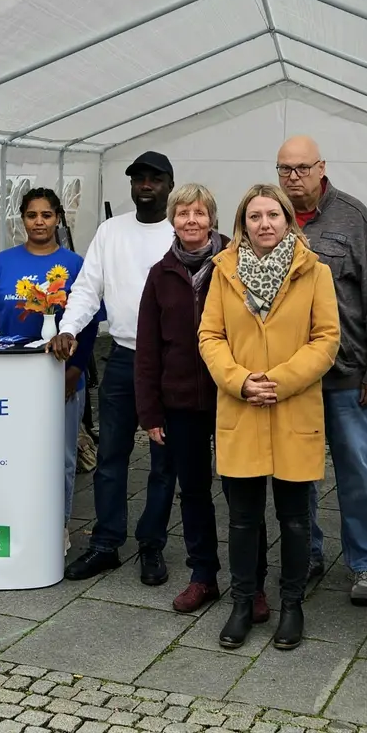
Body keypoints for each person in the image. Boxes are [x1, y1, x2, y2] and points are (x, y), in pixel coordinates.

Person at [197, 183, 340, 651]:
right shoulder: (223, 270)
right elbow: (210, 336)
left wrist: (280, 380)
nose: (264, 224)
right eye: (254, 217)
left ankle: (292, 605)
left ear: (288, 220)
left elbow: (326, 339)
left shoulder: (314, 271)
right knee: (242, 518)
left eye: (272, 215)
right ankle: (243, 603)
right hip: (241, 406)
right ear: (243, 225)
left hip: (292, 406)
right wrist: (239, 380)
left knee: (296, 519)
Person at [134, 183, 272, 617]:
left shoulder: (236, 265)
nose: (190, 221)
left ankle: (253, 583)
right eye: (182, 213)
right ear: (172, 220)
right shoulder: (161, 274)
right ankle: (203, 576)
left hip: (233, 397)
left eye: (199, 213)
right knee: (192, 491)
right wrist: (150, 410)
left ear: (213, 218)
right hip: (180, 403)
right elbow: (148, 347)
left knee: (242, 494)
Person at [49, 151, 180, 584]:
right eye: (138, 178)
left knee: (164, 461)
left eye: (154, 179)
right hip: (124, 356)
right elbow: (87, 290)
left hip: (170, 361)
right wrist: (68, 328)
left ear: (169, 185)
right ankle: (105, 542)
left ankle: (152, 544)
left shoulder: (182, 232)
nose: (145, 185)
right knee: (111, 456)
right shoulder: (111, 231)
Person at [274, 135, 367, 605]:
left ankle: (366, 565)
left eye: (302, 168)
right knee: (296, 473)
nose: (293, 177)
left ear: (322, 167)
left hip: (346, 375)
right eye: (285, 169)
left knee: (360, 473)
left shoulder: (352, 215)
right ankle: (306, 554)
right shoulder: (268, 215)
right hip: (292, 376)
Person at [0, 187, 103, 555]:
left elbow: (89, 325)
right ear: (22, 219)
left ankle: (56, 525)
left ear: (58, 218)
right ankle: (12, 518)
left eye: (46, 215)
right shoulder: (3, 262)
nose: (39, 222)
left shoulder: (75, 265)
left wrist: (74, 371)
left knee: (59, 455)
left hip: (59, 376)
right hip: (11, 378)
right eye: (32, 215)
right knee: (9, 450)